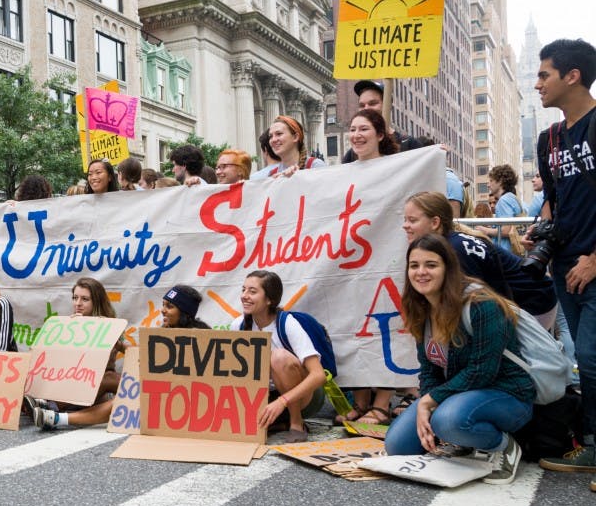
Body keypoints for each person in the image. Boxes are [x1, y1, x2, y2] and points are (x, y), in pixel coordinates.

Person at [385, 234, 534, 485]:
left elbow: (483, 371)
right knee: (397, 445)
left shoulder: (481, 304)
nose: (421, 272)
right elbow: (430, 369)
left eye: (431, 265)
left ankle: (504, 446)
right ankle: (463, 438)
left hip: (508, 394)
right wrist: (426, 405)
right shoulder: (421, 307)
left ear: (448, 269)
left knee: (447, 420)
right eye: (414, 265)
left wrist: (429, 402)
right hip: (458, 395)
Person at [529, 38, 596, 485]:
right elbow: (552, 201)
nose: (537, 84)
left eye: (544, 75)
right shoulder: (548, 138)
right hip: (565, 267)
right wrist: (540, 229)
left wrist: (594, 258)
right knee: (583, 360)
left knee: (590, 356)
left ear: (572, 76)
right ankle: (589, 445)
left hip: (592, 263)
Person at [403, 191, 558, 330]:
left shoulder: (456, 250)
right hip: (528, 298)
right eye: (405, 219)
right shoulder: (450, 243)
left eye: (412, 220)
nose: (405, 226)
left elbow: (482, 304)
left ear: (435, 223)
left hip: (535, 303)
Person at [339, 108, 399, 425]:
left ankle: (383, 402)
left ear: (379, 134)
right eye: (353, 128)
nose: (357, 134)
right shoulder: (342, 172)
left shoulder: (396, 168)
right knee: (353, 327)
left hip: (386, 261)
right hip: (350, 264)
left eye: (364, 128)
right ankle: (361, 401)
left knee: (385, 328)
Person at [230, 271, 327, 442]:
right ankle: (278, 422)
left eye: (252, 292)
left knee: (278, 357)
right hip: (267, 395)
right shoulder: (238, 325)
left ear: (270, 300)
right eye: (243, 290)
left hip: (302, 397)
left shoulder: (287, 323)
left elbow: (318, 376)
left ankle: (296, 422)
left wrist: (282, 401)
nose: (244, 296)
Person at [32, 278, 125, 430]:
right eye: (75, 298)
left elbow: (132, 352)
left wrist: (112, 338)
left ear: (97, 302)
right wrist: (72, 330)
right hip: (70, 384)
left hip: (98, 386)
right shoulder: (68, 324)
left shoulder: (111, 326)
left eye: (85, 299)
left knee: (111, 377)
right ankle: (47, 406)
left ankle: (50, 407)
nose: (78, 303)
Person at [341, 80, 422, 163]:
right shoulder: (351, 155)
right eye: (362, 105)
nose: (366, 108)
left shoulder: (410, 145)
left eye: (373, 103)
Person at [250, 116, 327, 179]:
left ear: (295, 137)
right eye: (270, 136)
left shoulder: (315, 165)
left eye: (279, 134)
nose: (273, 140)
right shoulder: (272, 174)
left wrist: (297, 178)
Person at [476, 164, 523, 253]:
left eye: (491, 180)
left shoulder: (503, 201)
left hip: (505, 251)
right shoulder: (512, 197)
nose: (488, 185)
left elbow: (506, 230)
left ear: (500, 181)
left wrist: (486, 230)